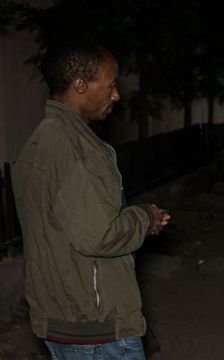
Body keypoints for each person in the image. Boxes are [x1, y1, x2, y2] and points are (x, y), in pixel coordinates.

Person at [12, 43, 170, 359]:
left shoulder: (40, 141)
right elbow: (98, 235)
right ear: (80, 85)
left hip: (62, 316)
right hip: (95, 327)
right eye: (110, 85)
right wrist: (144, 218)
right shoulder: (76, 149)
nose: (116, 96)